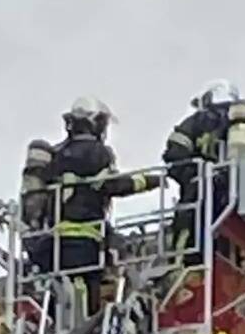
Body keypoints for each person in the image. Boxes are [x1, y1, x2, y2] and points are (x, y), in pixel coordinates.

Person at [21, 96, 157, 317]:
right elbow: (112, 184)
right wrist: (148, 181)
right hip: (84, 239)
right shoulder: (97, 153)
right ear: (96, 123)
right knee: (87, 296)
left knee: (59, 293)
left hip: (50, 241)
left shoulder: (56, 154)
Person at [162, 80, 245, 264]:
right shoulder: (242, 127)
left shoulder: (197, 121)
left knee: (189, 227)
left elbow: (173, 154)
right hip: (231, 195)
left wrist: (192, 175)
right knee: (223, 236)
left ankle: (181, 263)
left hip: (201, 192)